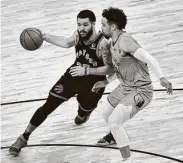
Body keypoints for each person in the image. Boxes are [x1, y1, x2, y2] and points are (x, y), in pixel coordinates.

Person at [71, 7, 173, 163]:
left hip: (141, 90)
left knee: (114, 121)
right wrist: (105, 81)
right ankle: (114, 136)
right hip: (125, 87)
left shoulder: (125, 41)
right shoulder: (112, 42)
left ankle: (128, 160)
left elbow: (149, 58)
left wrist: (162, 78)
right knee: (105, 112)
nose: (100, 28)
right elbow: (118, 69)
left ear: (113, 27)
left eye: (104, 25)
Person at [9, 9, 113, 156]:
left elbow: (111, 69)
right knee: (48, 105)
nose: (81, 28)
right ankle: (23, 137)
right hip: (73, 76)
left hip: (94, 83)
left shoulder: (103, 43)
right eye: (79, 24)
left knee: (83, 113)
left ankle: (83, 114)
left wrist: (87, 71)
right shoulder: (78, 35)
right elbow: (66, 43)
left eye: (85, 25)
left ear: (93, 24)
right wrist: (44, 36)